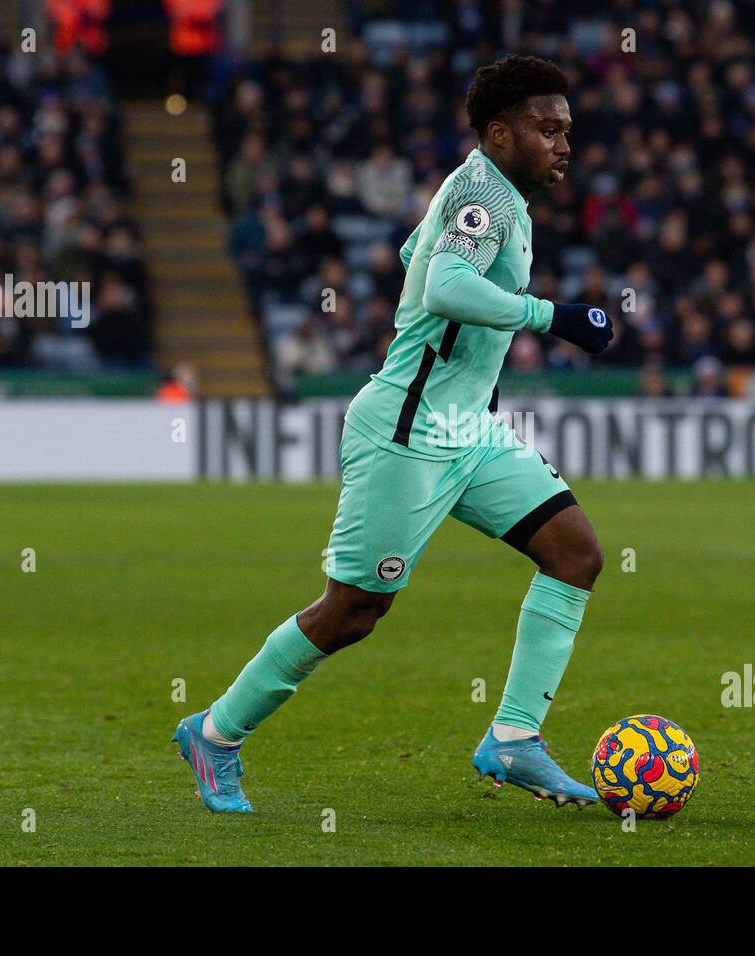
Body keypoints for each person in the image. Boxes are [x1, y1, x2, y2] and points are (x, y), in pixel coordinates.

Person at [174, 55, 615, 812]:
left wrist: (462, 356)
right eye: (548, 129)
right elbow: (443, 281)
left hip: (466, 429)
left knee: (575, 555)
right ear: (500, 131)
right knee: (352, 612)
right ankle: (215, 734)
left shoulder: (489, 190)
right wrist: (553, 317)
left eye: (568, 130)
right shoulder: (485, 194)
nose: (564, 144)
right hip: (408, 431)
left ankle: (514, 740)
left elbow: (419, 258)